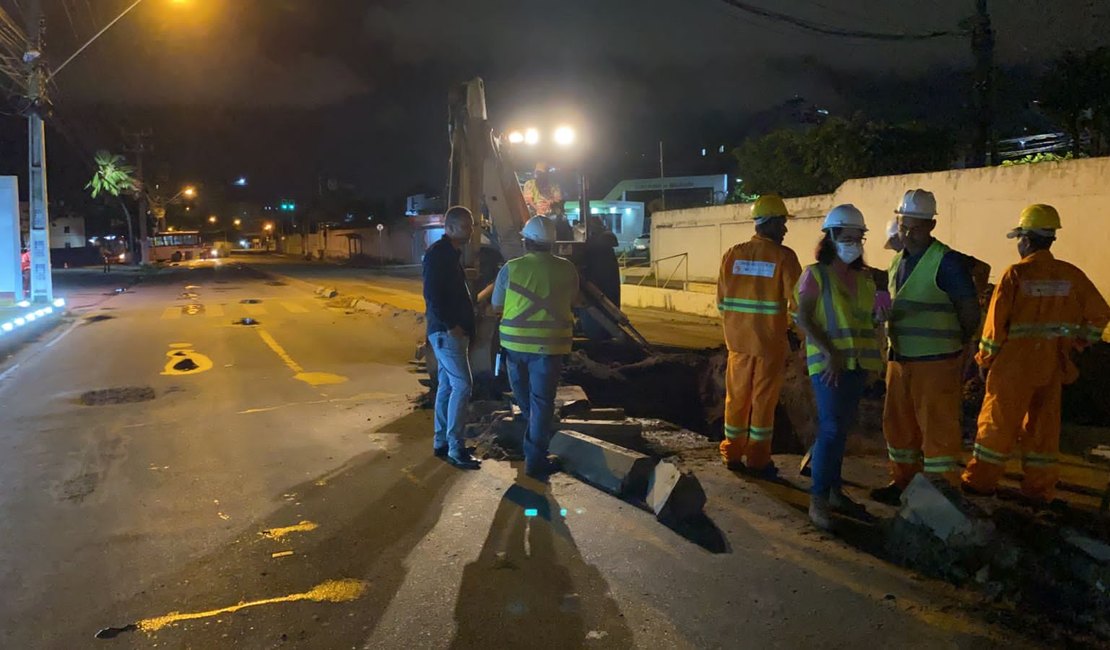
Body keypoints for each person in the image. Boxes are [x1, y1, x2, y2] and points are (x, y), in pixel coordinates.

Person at [962, 204, 1110, 502]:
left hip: (1012, 367)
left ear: (1027, 239)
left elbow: (994, 327)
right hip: (1051, 366)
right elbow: (1100, 315)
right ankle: (1039, 490)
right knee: (1042, 433)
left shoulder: (1015, 275)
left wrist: (983, 360)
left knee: (997, 427)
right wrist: (1077, 343)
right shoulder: (1071, 275)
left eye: (1019, 238)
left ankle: (981, 482)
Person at [872, 189, 982, 503]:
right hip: (900, 359)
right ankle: (903, 483)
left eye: (916, 227)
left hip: (936, 362)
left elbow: (969, 311)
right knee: (898, 428)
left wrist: (958, 345)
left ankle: (941, 493)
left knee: (938, 432)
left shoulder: (946, 262)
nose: (908, 233)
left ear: (931, 226)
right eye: (904, 226)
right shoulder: (897, 262)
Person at [795, 205, 883, 529]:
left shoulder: (865, 278)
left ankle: (833, 491)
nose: (854, 243)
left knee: (841, 430)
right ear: (831, 237)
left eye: (858, 237)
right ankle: (818, 499)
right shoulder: (815, 274)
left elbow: (873, 317)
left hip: (857, 364)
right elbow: (803, 317)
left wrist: (882, 307)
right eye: (847, 237)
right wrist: (830, 352)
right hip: (829, 365)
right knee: (831, 429)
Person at [716, 194, 802, 475]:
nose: (785, 229)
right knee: (763, 402)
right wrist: (800, 335)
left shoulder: (732, 255)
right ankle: (758, 459)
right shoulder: (784, 257)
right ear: (772, 223)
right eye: (782, 223)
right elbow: (800, 305)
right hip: (768, 345)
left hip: (738, 344)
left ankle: (732, 452)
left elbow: (721, 303)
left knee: (736, 398)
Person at [492, 216, 579, 479]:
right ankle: (535, 458)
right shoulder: (568, 269)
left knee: (526, 400)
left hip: (514, 347)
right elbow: (574, 301)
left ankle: (534, 449)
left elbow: (496, 305)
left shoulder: (511, 268)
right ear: (552, 244)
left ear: (525, 241)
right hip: (550, 348)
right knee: (541, 403)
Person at [422, 205, 482, 470]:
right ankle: (457, 448)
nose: (471, 231)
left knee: (447, 387)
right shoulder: (439, 255)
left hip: (450, 332)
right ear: (451, 227)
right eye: (467, 226)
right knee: (463, 386)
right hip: (448, 334)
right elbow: (433, 295)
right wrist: (452, 325)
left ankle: (441, 443)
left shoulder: (448, 254)